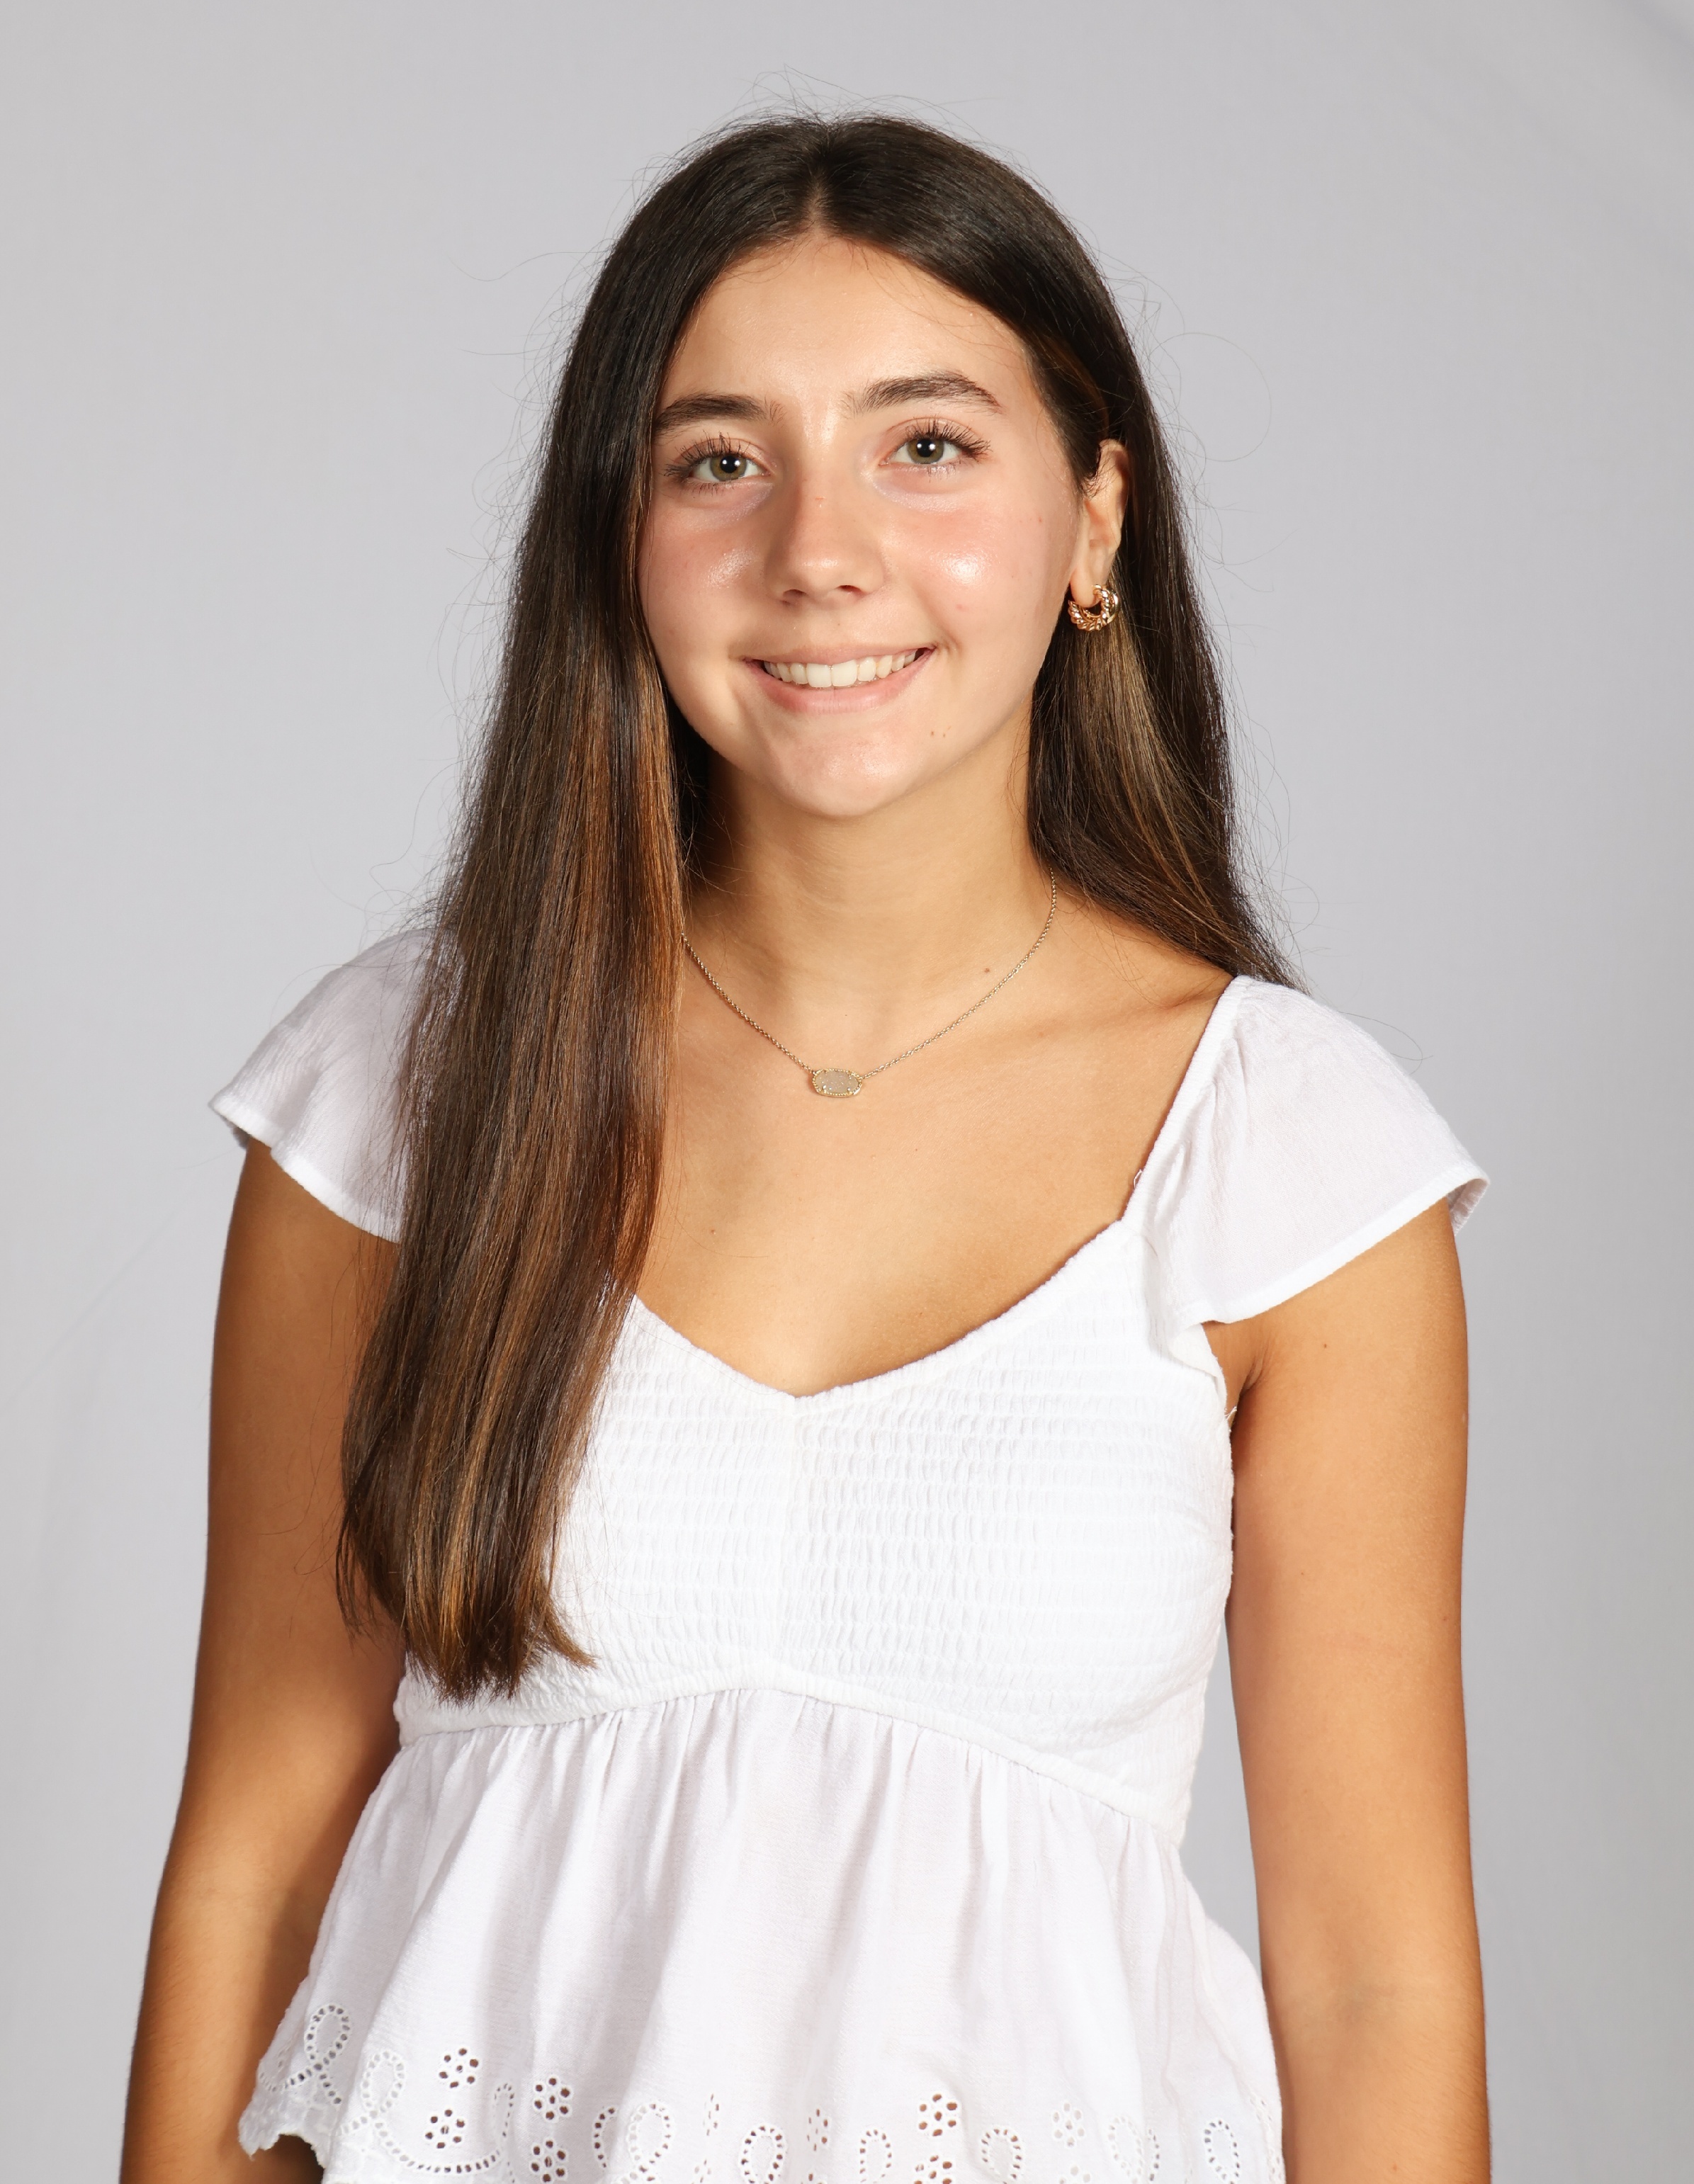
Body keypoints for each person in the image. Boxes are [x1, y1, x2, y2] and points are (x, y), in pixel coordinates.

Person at [122, 115, 1489, 2184]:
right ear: (619, 534)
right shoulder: (405, 1088)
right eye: (718, 460)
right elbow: (255, 1859)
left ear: (1095, 522)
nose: (819, 551)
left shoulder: (1290, 1159)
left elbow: (1375, 1983)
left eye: (925, 445)